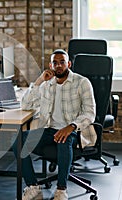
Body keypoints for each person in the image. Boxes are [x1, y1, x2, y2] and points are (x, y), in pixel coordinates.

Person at [13, 49, 96, 200]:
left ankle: (61, 189)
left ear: (69, 64)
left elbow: (90, 113)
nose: (59, 66)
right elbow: (25, 105)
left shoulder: (82, 82)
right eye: (55, 63)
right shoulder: (46, 85)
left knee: (64, 140)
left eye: (62, 62)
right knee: (18, 141)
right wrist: (38, 81)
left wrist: (70, 126)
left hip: (73, 130)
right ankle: (33, 187)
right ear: (50, 66)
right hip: (49, 130)